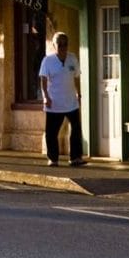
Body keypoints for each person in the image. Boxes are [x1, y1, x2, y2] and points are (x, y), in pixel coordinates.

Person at [38, 31, 85, 167]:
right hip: (54, 102)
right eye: (60, 44)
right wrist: (46, 97)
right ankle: (53, 159)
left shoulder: (72, 58)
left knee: (76, 129)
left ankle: (75, 157)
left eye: (65, 44)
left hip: (71, 101)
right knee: (52, 132)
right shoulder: (48, 61)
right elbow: (43, 80)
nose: (63, 47)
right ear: (54, 45)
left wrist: (78, 92)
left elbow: (76, 77)